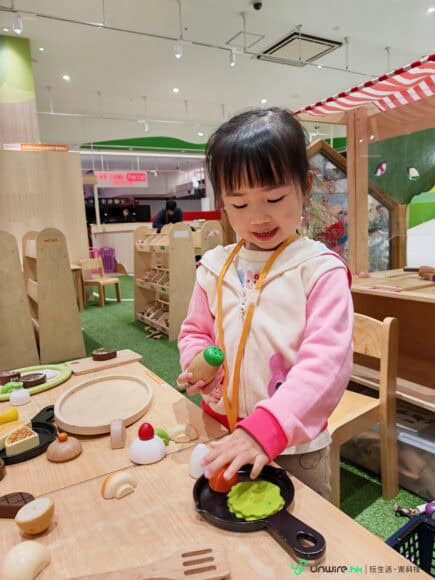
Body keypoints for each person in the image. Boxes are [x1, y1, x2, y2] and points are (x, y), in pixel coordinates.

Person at [177, 108, 353, 499]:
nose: (257, 218)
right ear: (223, 202)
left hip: (293, 447)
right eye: (239, 205)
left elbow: (326, 364)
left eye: (273, 198)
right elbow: (195, 331)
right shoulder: (214, 267)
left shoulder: (318, 270)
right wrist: (198, 362)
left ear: (305, 186)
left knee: (300, 527)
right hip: (221, 430)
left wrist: (265, 430)